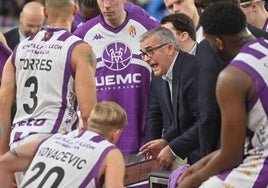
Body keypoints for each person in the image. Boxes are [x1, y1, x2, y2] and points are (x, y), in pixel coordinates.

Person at [0, 0, 97, 185]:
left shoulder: (20, 49)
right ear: (75, 10)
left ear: (45, 13)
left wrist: (4, 157)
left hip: (19, 142)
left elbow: (3, 106)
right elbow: (88, 112)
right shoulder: (80, 49)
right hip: (56, 143)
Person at [177, 2, 268, 187]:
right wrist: (200, 165)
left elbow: (231, 154)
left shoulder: (232, 76)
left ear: (218, 43)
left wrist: (194, 179)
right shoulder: (265, 45)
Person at [73, 0, 160, 156]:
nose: (106, 5)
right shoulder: (81, 36)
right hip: (98, 141)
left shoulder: (150, 29)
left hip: (145, 137)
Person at [0, 101, 127, 188]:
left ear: (88, 121)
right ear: (116, 133)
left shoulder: (53, 139)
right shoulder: (110, 152)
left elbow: (3, 164)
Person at [139, 27, 200, 169]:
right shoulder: (159, 75)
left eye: (150, 51)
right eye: (143, 53)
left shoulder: (193, 69)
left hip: (204, 153)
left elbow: (205, 120)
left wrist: (173, 148)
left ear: (170, 48)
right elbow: (155, 115)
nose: (146, 58)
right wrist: (161, 143)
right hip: (179, 149)